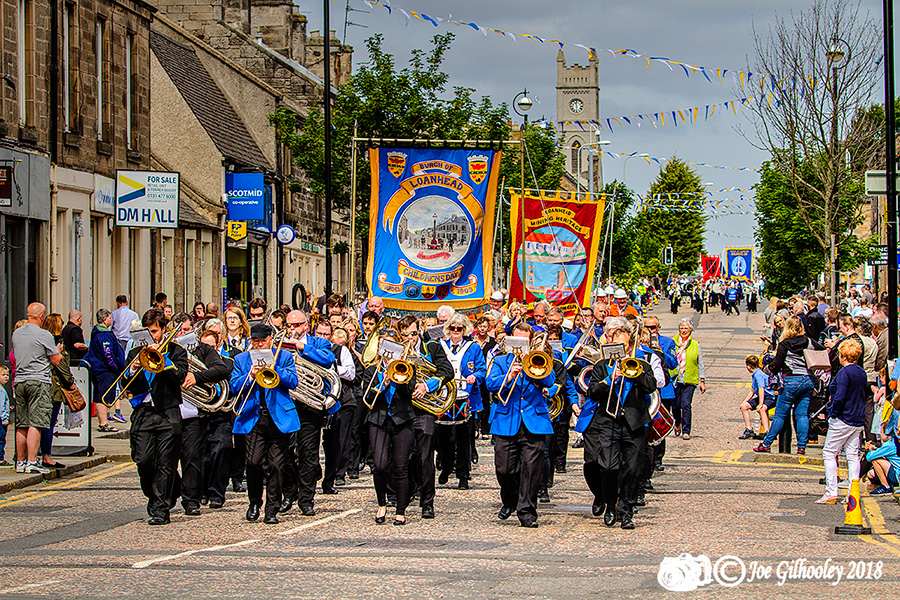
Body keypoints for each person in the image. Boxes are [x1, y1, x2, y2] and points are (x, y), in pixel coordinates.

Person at [367, 315, 452, 525]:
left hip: (422, 408)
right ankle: (395, 497)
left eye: (413, 334)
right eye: (404, 335)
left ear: (419, 330)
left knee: (424, 457)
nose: (409, 339)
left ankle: (427, 502)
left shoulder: (431, 347)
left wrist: (427, 386)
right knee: (393, 457)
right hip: (398, 408)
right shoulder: (396, 351)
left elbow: (447, 371)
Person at [579, 319, 656, 529]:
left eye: (625, 346)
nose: (621, 350)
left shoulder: (642, 364)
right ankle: (610, 503)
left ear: (630, 347)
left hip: (634, 423)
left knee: (632, 469)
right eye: (617, 346)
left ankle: (626, 511)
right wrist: (609, 379)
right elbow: (592, 392)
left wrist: (636, 372)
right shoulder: (602, 366)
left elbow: (651, 387)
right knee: (608, 466)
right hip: (608, 421)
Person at [486, 321, 559, 528]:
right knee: (504, 470)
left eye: (524, 341)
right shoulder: (500, 361)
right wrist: (508, 375)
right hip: (506, 420)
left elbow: (550, 380)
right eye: (516, 340)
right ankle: (510, 500)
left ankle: (527, 511)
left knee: (531, 469)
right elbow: (490, 384)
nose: (520, 345)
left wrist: (532, 366)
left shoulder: (539, 359)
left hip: (534, 422)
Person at [125, 308, 189, 525]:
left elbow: (180, 376)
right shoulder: (135, 353)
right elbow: (125, 383)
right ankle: (157, 495)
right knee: (143, 460)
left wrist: (162, 359)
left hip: (167, 412)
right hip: (143, 413)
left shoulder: (176, 351)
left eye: (154, 331)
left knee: (166, 463)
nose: (151, 336)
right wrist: (133, 368)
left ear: (163, 330)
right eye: (148, 332)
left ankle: (161, 509)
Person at [231, 323, 299, 524]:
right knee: (252, 462)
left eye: (263, 341)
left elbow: (293, 381)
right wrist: (249, 375)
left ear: (270, 340)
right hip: (253, 416)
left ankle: (272, 510)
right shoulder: (241, 359)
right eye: (255, 341)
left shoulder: (284, 357)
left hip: (278, 418)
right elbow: (234, 386)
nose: (259, 344)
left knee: (277, 466)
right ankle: (254, 502)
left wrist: (274, 369)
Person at [172, 315, 231, 515]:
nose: (182, 334)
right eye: (179, 330)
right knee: (160, 460)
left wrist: (196, 377)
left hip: (193, 413)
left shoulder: (202, 350)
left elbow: (221, 369)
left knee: (192, 458)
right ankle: (172, 492)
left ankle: (191, 501)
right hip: (168, 411)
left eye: (186, 330)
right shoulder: (165, 350)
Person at [280, 310, 335, 516]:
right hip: (286, 402)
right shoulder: (280, 342)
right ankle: (289, 492)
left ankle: (306, 499)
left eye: (296, 325)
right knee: (283, 452)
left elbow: (328, 358)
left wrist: (303, 347)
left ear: (305, 325)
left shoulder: (317, 342)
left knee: (308, 454)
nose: (292, 329)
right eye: (289, 325)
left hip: (309, 405)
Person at [754, 316, 824, 455]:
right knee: (802, 415)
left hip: (791, 380)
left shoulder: (785, 344)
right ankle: (802, 446)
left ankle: (767, 443)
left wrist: (768, 368)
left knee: (780, 415)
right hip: (807, 380)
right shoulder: (809, 341)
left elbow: (777, 364)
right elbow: (822, 351)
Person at [436, 313, 486, 490]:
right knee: (443, 436)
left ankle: (463, 474)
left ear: (465, 330)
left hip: (466, 396)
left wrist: (474, 377)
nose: (455, 331)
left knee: (464, 437)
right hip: (444, 396)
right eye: (452, 328)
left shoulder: (473, 348)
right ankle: (445, 466)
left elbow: (482, 369)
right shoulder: (440, 346)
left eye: (459, 329)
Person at [12, 303, 63, 474]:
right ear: (41, 316)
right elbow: (56, 360)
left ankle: (20, 461)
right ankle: (32, 462)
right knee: (37, 422)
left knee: (22, 424)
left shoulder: (16, 333)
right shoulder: (44, 334)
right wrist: (58, 351)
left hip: (19, 381)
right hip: (38, 381)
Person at [818, 339, 866, 503]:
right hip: (858, 418)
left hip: (843, 417)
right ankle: (853, 493)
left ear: (842, 355)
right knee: (852, 455)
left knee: (829, 452)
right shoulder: (861, 372)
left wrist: (833, 414)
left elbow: (840, 397)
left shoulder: (844, 373)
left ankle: (831, 491)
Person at [40, 313, 77, 470]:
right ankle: (46, 456)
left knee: (40, 422)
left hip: (44, 385)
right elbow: (61, 366)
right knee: (49, 423)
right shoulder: (55, 343)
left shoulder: (41, 339)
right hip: (54, 388)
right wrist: (71, 383)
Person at [85, 308, 127, 432]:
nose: (111, 320)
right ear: (104, 320)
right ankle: (103, 423)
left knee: (100, 396)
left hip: (100, 369)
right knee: (103, 396)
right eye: (109, 317)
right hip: (105, 370)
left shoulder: (99, 333)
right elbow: (108, 354)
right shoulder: (103, 335)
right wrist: (115, 367)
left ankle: (103, 422)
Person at [672, 318, 706, 440]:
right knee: (675, 406)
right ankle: (677, 423)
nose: (683, 330)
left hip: (689, 379)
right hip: (675, 379)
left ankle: (686, 431)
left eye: (686, 328)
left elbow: (700, 363)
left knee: (686, 404)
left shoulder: (696, 345)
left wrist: (702, 381)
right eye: (681, 328)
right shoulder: (673, 342)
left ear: (690, 330)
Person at [738, 355, 774, 440]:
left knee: (762, 409)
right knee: (744, 407)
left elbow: (761, 389)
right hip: (763, 396)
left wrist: (760, 404)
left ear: (749, 367)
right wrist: (744, 402)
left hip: (769, 397)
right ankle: (749, 430)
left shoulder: (758, 375)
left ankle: (767, 432)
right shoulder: (756, 374)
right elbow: (752, 390)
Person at [0, 366, 9, 466]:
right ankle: (0, 458)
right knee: (1, 439)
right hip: (1, 420)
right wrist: (4, 419)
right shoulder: (1, 391)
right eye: (3, 375)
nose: (6, 377)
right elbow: (1, 406)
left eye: (7, 375)